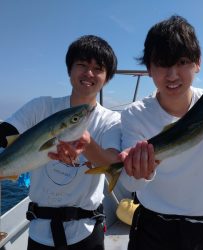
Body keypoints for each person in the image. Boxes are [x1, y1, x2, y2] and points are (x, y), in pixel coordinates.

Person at [119, 15, 203, 250]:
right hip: (152, 227)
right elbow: (130, 185)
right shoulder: (134, 114)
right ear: (149, 69)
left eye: (181, 62)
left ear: (197, 62)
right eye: (162, 63)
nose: (172, 75)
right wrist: (139, 172)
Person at [0, 35, 121, 250]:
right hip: (39, 231)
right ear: (70, 70)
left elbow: (113, 162)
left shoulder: (110, 120)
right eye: (82, 65)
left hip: (86, 231)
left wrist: (88, 144)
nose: (89, 73)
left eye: (98, 68)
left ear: (107, 77)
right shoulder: (42, 107)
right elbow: (5, 133)